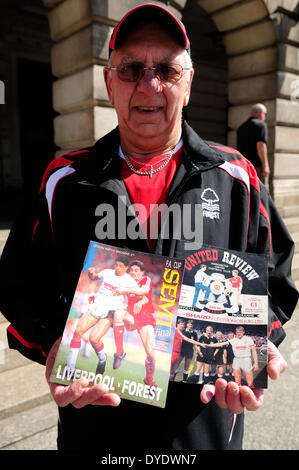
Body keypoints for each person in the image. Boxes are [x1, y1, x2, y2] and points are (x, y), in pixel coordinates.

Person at [0, 3, 297, 451]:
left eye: (167, 69)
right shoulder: (63, 180)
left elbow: (273, 277)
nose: (149, 84)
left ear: (189, 83)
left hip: (204, 423)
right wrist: (55, 341)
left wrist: (261, 340)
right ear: (108, 83)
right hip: (95, 422)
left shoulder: (237, 176)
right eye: (131, 68)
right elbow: (19, 283)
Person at [66, 256, 141, 375]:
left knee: (94, 339)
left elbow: (140, 294)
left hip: (109, 313)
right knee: (77, 331)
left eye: (121, 266)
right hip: (96, 307)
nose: (117, 268)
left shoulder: (129, 281)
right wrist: (91, 273)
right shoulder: (107, 272)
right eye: (116, 265)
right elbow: (94, 277)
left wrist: (126, 292)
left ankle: (102, 359)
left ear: (126, 268)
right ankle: (69, 369)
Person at [237, 103, 270, 182]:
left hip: (242, 165)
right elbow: (261, 146)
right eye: (265, 114)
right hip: (256, 167)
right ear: (261, 113)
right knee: (259, 190)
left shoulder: (241, 127)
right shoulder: (261, 125)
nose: (265, 116)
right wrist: (265, 166)